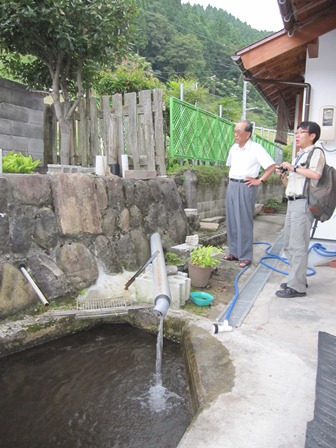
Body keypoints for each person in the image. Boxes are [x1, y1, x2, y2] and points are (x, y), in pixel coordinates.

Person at [275, 121, 325, 298]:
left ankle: (297, 287)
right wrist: (284, 175)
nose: (297, 135)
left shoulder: (316, 152)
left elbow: (316, 175)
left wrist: (294, 167)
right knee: (289, 244)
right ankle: (297, 279)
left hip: (303, 204)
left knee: (298, 246)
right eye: (296, 132)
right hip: (293, 201)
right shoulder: (300, 155)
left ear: (312, 136)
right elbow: (294, 184)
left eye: (301, 132)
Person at [225, 120, 276, 268]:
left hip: (246, 186)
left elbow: (271, 166)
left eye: (239, 132)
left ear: (248, 134)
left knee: (244, 221)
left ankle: (245, 255)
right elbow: (231, 166)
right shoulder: (233, 148)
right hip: (232, 184)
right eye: (235, 131)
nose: (236, 134)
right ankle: (234, 252)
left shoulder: (256, 149)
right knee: (232, 220)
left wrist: (259, 180)